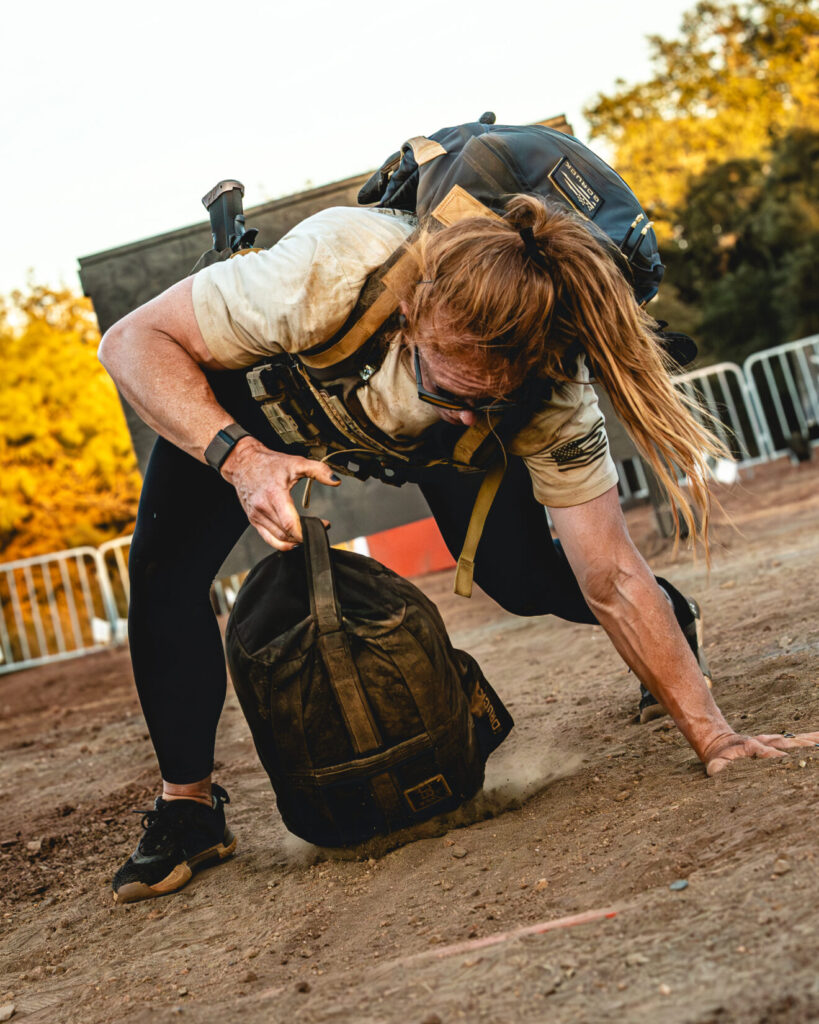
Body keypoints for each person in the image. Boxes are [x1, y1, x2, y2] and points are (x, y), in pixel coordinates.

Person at [98, 195, 819, 903]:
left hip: (421, 438)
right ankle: (187, 807)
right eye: (455, 386)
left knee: (524, 578)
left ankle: (673, 619)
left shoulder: (549, 388)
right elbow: (129, 341)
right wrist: (241, 459)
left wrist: (715, 738)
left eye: (492, 397)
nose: (472, 410)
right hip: (257, 397)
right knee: (163, 577)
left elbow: (608, 573)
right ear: (416, 314)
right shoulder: (333, 268)